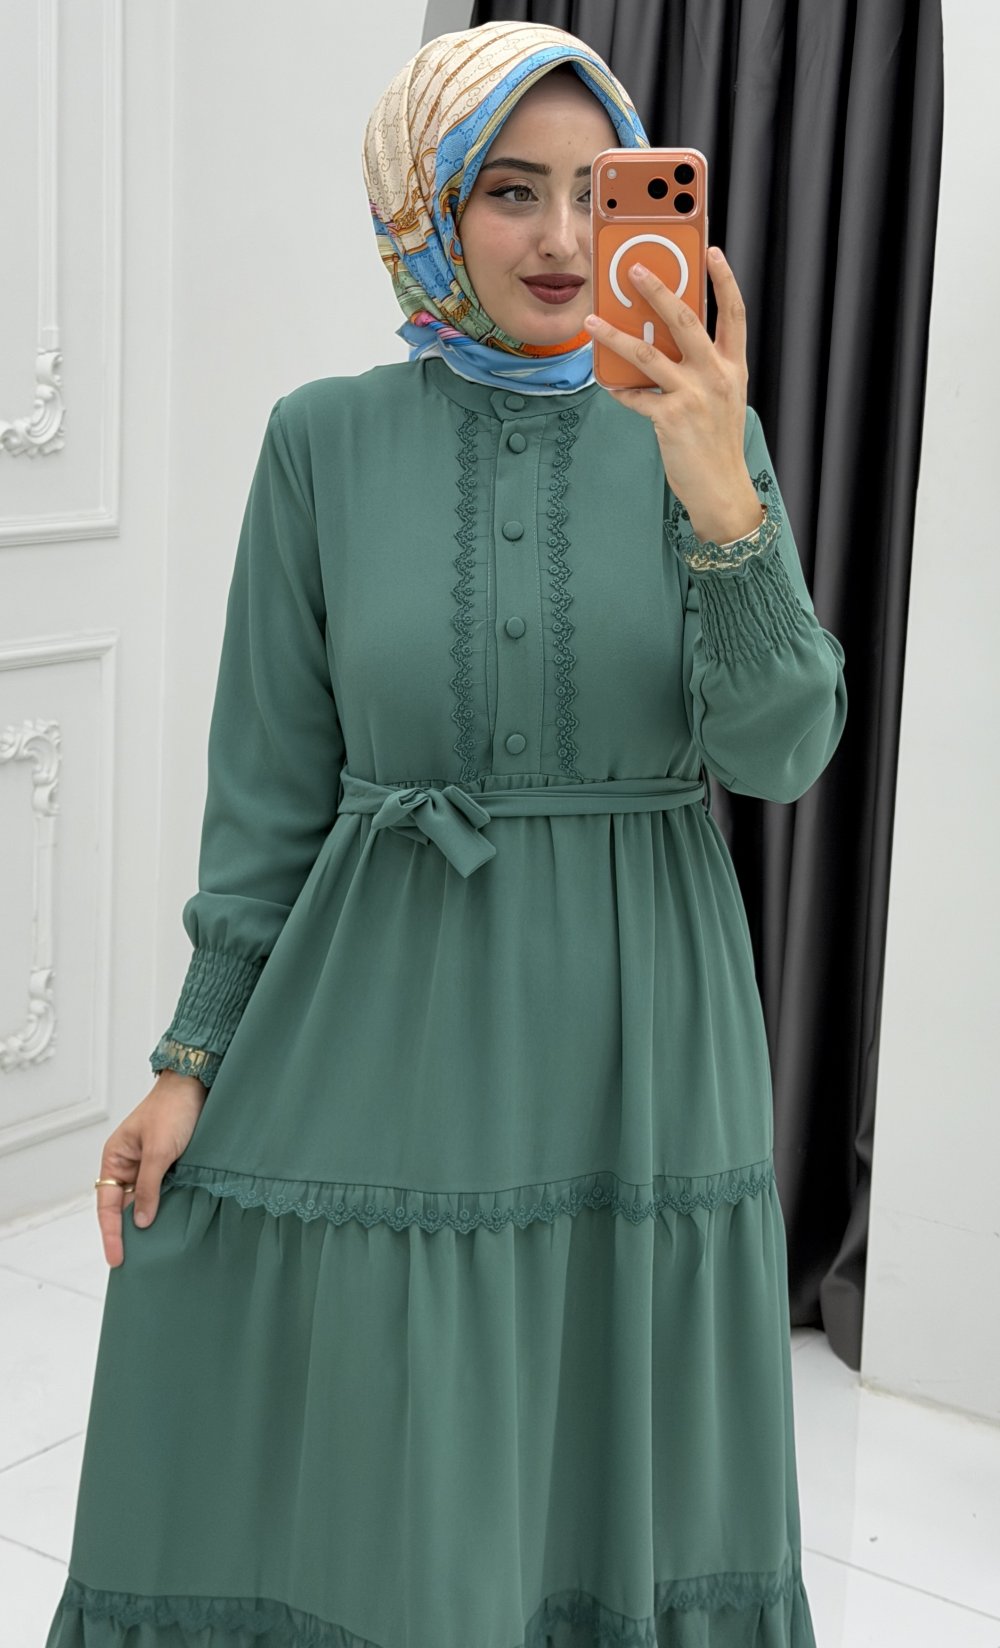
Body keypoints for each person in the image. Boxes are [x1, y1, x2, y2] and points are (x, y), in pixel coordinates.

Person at [46, 19, 846, 1648]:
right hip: (390, 999)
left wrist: (722, 493)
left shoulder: (698, 427)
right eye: (509, 191)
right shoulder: (320, 441)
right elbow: (269, 788)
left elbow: (782, 751)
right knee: (380, 1414)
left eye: (596, 192)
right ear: (425, 206)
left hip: (638, 1016)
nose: (562, 240)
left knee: (600, 1400)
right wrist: (191, 1060)